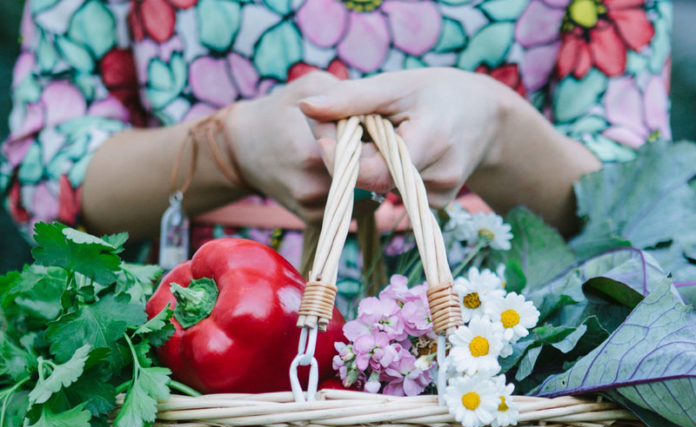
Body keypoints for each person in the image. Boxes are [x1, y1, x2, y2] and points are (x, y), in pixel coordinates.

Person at [1, 0, 672, 292]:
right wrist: (230, 149)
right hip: (191, 349)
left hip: (505, 359)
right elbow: (44, 174)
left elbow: (644, 207)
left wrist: (498, 131)